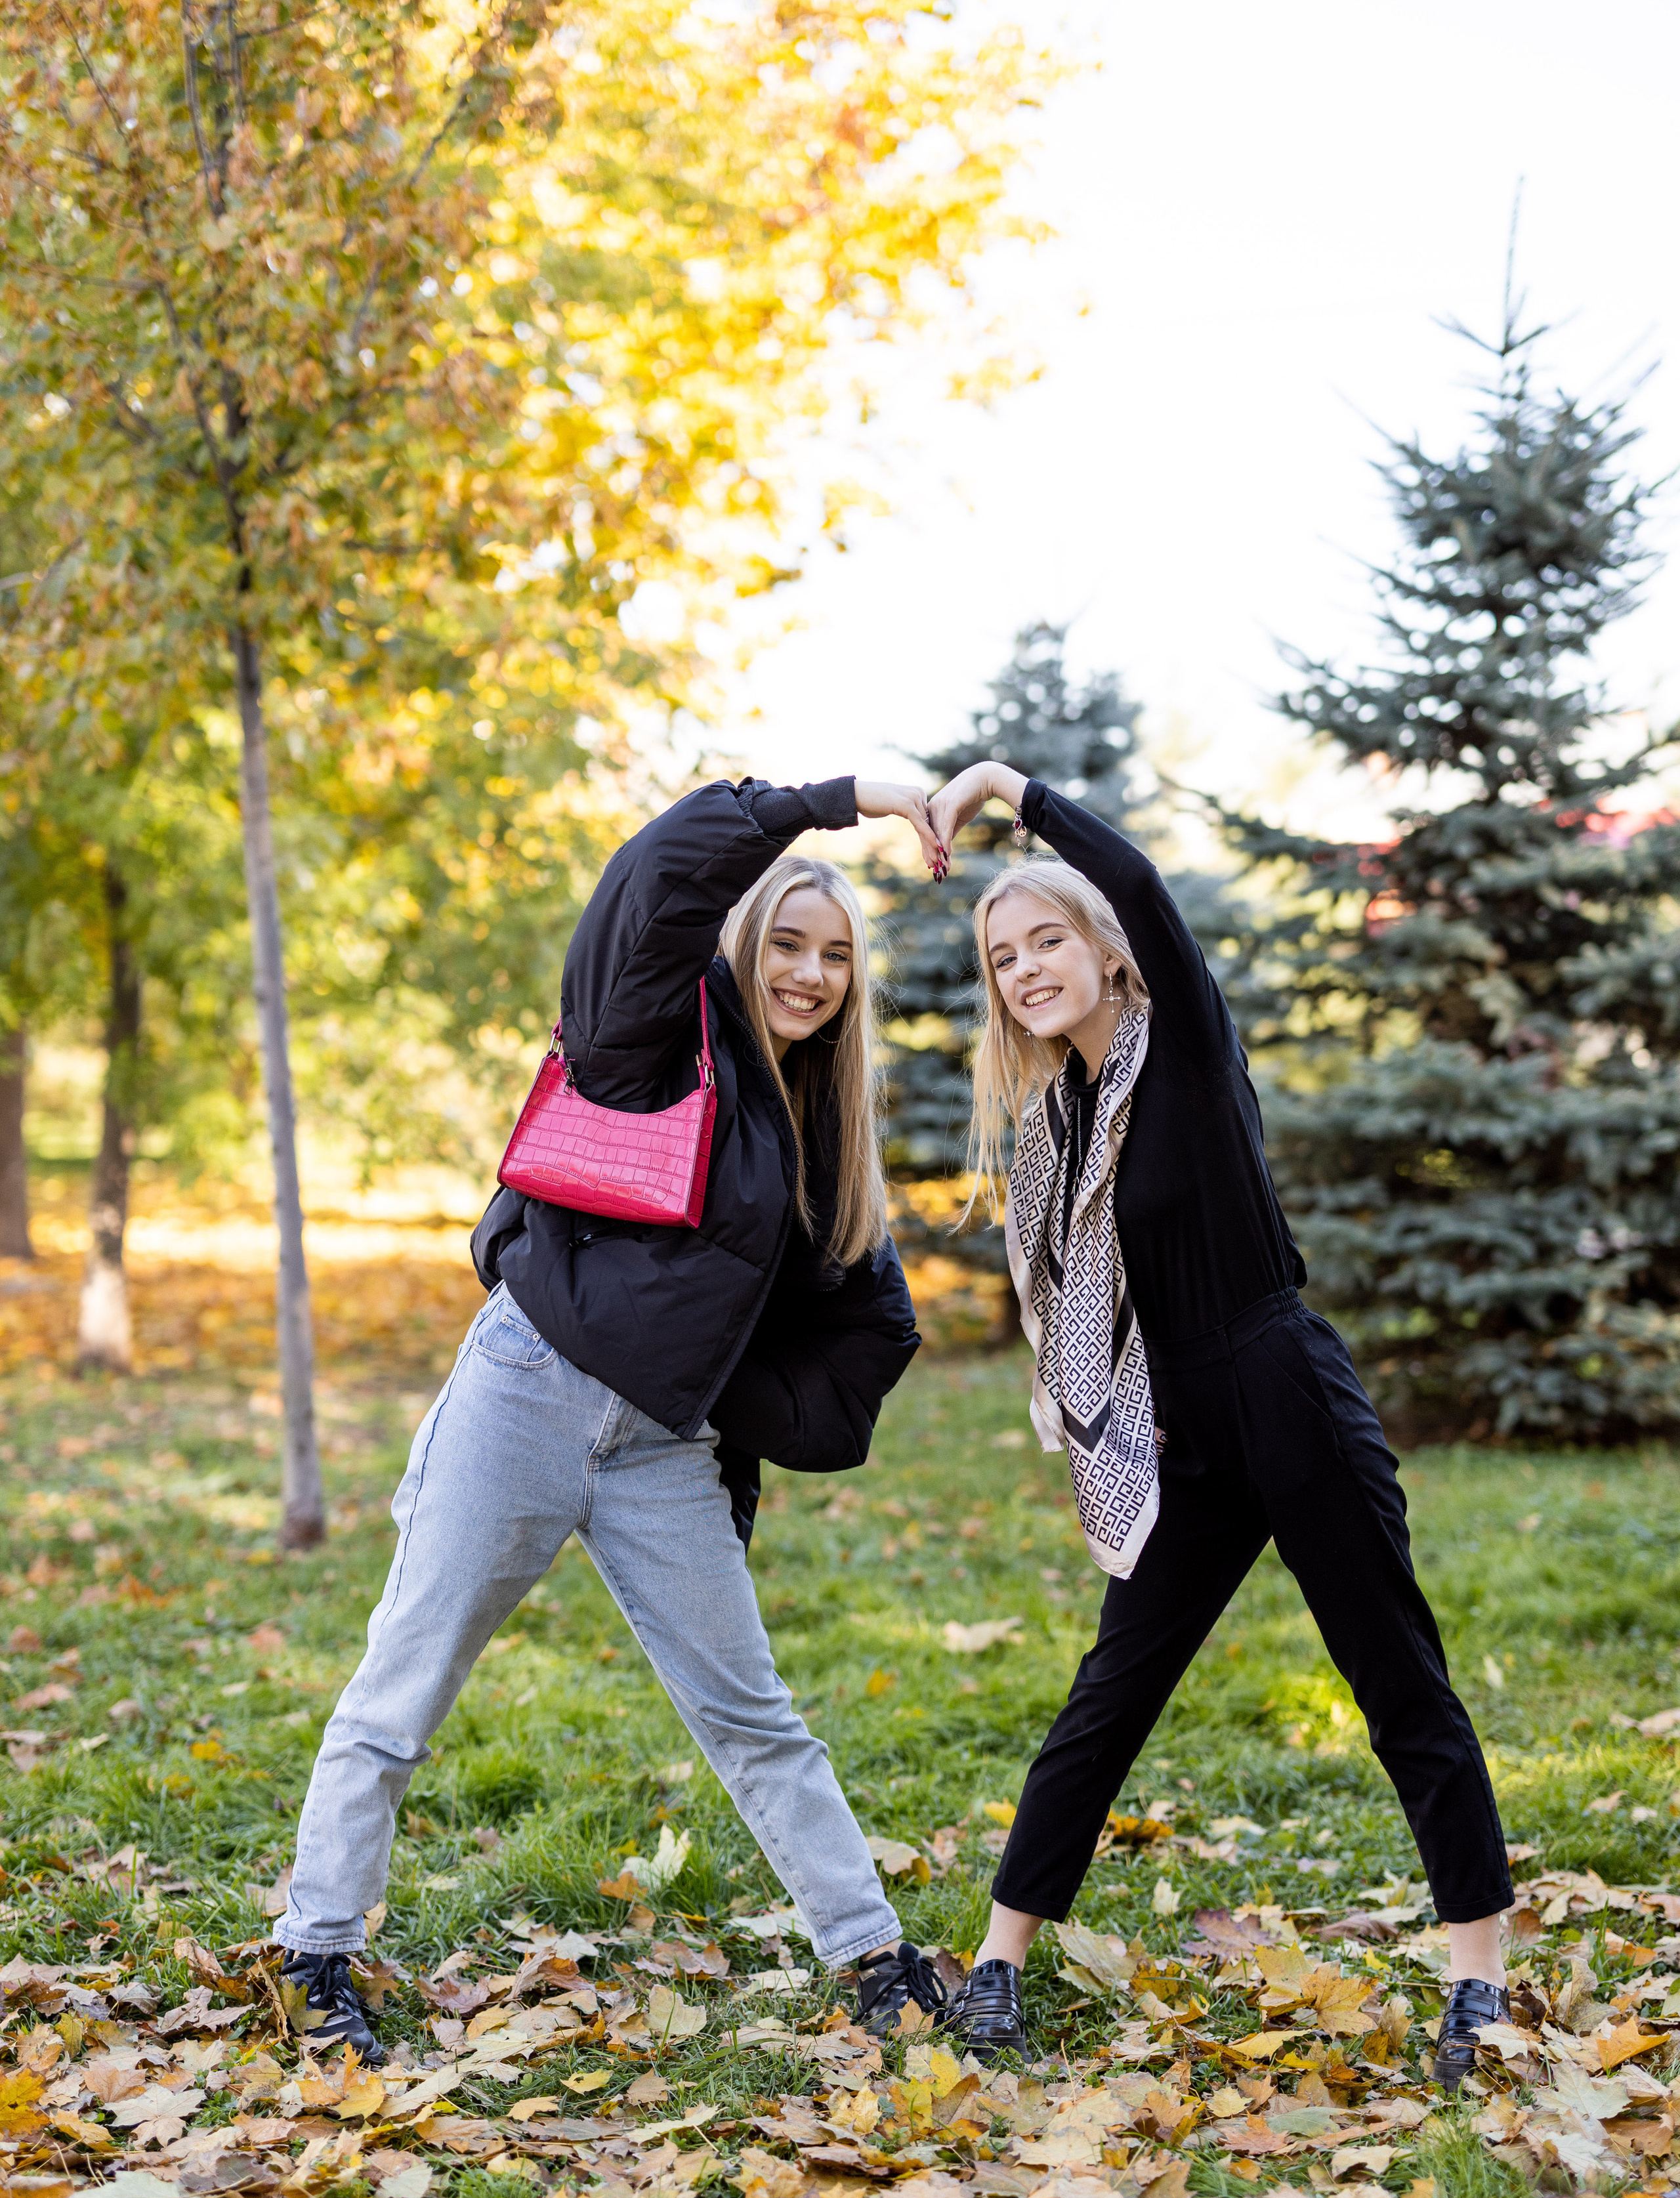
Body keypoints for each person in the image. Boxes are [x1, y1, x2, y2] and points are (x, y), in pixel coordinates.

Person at [274, 774, 953, 2058]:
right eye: (790, 944)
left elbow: (878, 1335)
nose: (811, 975)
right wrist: (840, 800)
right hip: (523, 1394)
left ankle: (871, 1957)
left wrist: (706, 1382)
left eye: (837, 958)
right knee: (401, 1689)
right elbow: (658, 878)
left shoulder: (818, 1127)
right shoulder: (655, 1028)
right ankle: (314, 1953)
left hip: (663, 1451)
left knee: (755, 1717)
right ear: (746, 944)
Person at [924, 763, 1512, 2090]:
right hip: (1173, 1440)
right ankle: (1001, 1961)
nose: (1022, 969)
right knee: (1108, 1694)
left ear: (1104, 950)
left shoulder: (1179, 1038)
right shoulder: (1059, 1124)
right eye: (1000, 955)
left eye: (1045, 939)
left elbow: (1134, 878)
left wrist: (1004, 790)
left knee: (1394, 1678)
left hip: (1283, 1390)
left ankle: (1476, 1977)